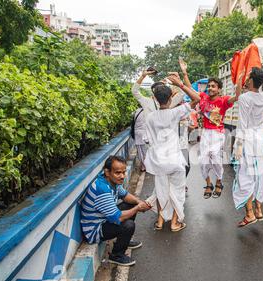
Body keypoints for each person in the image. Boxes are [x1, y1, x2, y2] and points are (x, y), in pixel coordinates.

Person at [144, 73, 200, 232]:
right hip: (175, 160)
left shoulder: (150, 117)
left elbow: (148, 139)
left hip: (158, 161)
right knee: (178, 191)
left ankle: (160, 222)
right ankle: (175, 223)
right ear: (170, 99)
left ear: (155, 99)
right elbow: (197, 99)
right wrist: (181, 84)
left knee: (161, 190)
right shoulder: (176, 112)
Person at [180, 60, 243, 199]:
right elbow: (190, 89)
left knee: (214, 156)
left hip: (218, 133)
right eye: (209, 86)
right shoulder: (203, 97)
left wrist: (238, 82)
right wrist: (185, 72)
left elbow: (237, 97)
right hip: (205, 133)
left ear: (219, 89)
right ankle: (208, 184)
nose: (210, 88)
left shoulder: (223, 101)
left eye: (213, 86)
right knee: (203, 160)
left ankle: (219, 182)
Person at [80, 156, 152, 266]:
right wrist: (138, 208)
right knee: (128, 225)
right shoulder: (102, 189)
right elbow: (119, 217)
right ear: (107, 172)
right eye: (118, 172)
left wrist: (139, 202)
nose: (122, 176)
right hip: (94, 230)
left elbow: (125, 195)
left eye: (123, 172)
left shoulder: (112, 182)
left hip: (104, 220)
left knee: (131, 204)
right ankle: (116, 255)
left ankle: (123, 241)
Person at [232, 67, 263, 228]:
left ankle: (249, 214)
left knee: (245, 177)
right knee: (258, 175)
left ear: (250, 80)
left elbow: (242, 123)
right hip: (259, 139)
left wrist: (238, 146)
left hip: (247, 139)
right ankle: (259, 210)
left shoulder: (244, 99)